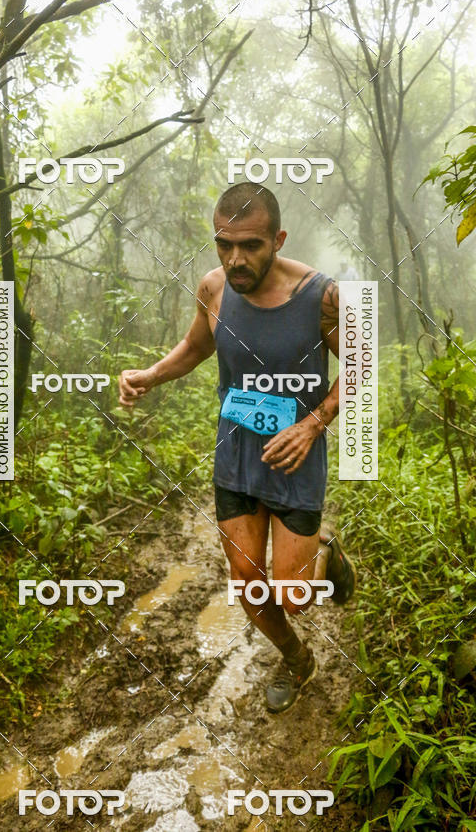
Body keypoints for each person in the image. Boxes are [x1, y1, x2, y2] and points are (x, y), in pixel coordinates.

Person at [118, 183, 355, 713]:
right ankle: (296, 660)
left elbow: (363, 366)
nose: (235, 258)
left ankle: (325, 552)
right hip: (236, 456)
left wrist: (314, 423)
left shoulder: (322, 295)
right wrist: (149, 376)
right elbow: (195, 346)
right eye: (225, 244)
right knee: (248, 584)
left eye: (250, 245)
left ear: (278, 239)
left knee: (293, 598)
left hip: (295, 459)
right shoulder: (214, 289)